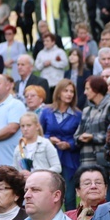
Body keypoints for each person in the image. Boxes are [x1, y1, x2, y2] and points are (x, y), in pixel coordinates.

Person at [39, 79, 82, 210]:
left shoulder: (77, 114)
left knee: (69, 195)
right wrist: (49, 139)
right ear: (58, 92)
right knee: (48, 192)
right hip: (49, 156)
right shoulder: (47, 111)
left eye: (72, 92)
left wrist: (69, 144)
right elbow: (39, 133)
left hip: (69, 158)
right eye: (66, 90)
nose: (69, 94)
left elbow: (80, 137)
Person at [75, 76, 110, 166]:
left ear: (97, 88)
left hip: (103, 159)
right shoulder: (86, 110)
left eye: (87, 89)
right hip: (86, 159)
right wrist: (79, 138)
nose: (85, 92)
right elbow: (77, 134)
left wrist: (93, 137)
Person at [14, 112, 61, 178]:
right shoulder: (18, 148)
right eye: (22, 126)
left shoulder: (45, 144)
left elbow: (57, 167)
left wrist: (38, 174)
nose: (25, 129)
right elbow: (15, 170)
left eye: (29, 125)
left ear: (37, 126)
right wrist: (20, 174)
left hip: (43, 183)